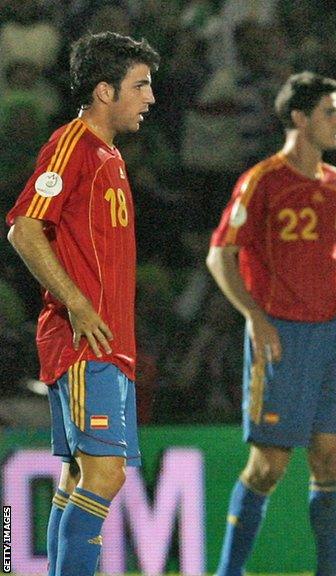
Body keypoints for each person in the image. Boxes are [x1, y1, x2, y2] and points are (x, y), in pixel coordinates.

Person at [5, 32, 159, 576]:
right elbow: (25, 229)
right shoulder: (73, 143)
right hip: (83, 344)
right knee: (104, 475)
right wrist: (74, 302)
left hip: (110, 345)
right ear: (103, 90)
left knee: (80, 477)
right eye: (139, 86)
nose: (150, 98)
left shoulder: (108, 155)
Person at [206, 71, 336, 576]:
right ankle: (229, 572)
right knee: (270, 466)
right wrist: (254, 316)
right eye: (330, 111)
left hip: (331, 335)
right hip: (282, 337)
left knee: (331, 460)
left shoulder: (335, 182)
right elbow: (219, 255)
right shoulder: (263, 179)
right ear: (299, 118)